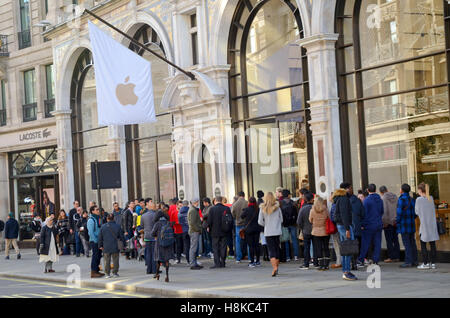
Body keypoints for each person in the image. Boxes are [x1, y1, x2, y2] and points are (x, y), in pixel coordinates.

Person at [333, 187, 358, 281]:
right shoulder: (343, 199)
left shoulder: (339, 199)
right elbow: (344, 214)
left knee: (345, 249)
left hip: (341, 225)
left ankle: (346, 270)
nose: (350, 189)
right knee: (348, 248)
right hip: (344, 226)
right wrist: (347, 229)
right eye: (349, 188)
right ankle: (346, 271)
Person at [357, 184, 384, 266]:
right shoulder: (380, 199)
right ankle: (376, 260)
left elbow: (363, 214)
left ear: (368, 190)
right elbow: (382, 211)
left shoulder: (367, 200)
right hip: (378, 224)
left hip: (368, 225)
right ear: (375, 190)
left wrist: (362, 224)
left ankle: (361, 259)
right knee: (377, 243)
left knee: (365, 243)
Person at [340, 182, 365, 270]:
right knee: (353, 244)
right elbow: (362, 213)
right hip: (353, 225)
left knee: (348, 245)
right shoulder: (354, 200)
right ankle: (353, 263)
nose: (351, 190)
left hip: (349, 226)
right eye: (350, 188)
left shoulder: (341, 200)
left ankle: (350, 265)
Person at [258, 192, 283, 277]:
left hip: (268, 231)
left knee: (271, 250)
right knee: (277, 249)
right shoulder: (278, 208)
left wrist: (266, 225)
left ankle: (274, 267)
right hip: (277, 231)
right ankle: (276, 267)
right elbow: (281, 219)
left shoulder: (262, 208)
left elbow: (260, 221)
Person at [415, 183, 439, 270]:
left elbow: (416, 212)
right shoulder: (431, 198)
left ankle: (425, 263)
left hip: (424, 225)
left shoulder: (418, 199)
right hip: (432, 224)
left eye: (418, 189)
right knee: (432, 244)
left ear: (420, 190)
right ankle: (433, 263)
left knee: (423, 244)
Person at [98, 213, 126, 278]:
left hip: (106, 246)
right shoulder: (118, 226)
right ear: (114, 218)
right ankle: (115, 273)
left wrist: (100, 245)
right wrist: (124, 245)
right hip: (115, 245)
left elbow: (100, 237)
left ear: (107, 219)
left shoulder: (103, 226)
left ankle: (107, 274)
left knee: (107, 260)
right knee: (115, 260)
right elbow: (122, 237)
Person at [397, 184, 418, 268]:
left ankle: (408, 261)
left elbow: (399, 213)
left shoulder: (401, 199)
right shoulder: (412, 199)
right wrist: (412, 218)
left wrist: (398, 221)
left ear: (402, 190)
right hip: (411, 224)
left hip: (404, 225)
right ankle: (415, 260)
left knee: (407, 244)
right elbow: (415, 213)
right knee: (412, 242)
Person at [207, 196, 232, 268]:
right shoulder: (226, 208)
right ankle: (223, 262)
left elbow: (209, 221)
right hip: (224, 231)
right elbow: (230, 219)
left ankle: (217, 263)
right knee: (223, 246)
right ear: (221, 201)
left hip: (214, 231)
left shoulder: (212, 209)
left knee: (215, 247)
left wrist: (208, 227)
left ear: (215, 201)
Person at [151, 209, 175, 282]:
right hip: (168, 244)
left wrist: (156, 235)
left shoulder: (157, 224)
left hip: (159, 244)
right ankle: (167, 276)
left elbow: (152, 233)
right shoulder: (168, 223)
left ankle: (157, 273)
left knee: (158, 260)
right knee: (167, 260)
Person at [309, 196, 331, 270]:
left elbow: (310, 220)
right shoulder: (325, 209)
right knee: (326, 247)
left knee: (318, 248)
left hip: (316, 232)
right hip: (325, 231)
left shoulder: (312, 210)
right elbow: (329, 218)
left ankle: (321, 264)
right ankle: (326, 264)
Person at [380, 186, 400, 263]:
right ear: (387, 190)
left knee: (389, 240)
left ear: (381, 192)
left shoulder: (383, 198)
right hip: (395, 221)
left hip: (388, 222)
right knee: (395, 239)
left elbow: (384, 212)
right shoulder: (395, 196)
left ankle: (391, 257)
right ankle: (397, 256)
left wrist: (384, 222)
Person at [241, 197, 262, 267]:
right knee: (256, 245)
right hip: (257, 229)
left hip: (249, 230)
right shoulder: (258, 209)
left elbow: (242, 216)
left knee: (251, 246)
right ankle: (258, 260)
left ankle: (252, 261)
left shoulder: (247, 209)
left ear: (249, 202)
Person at [297, 192, 316, 269]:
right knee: (315, 246)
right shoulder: (315, 208)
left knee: (306, 247)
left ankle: (306, 263)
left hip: (306, 230)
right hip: (315, 229)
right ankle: (316, 262)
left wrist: (302, 227)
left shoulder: (303, 209)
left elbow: (299, 221)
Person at [280, 189, 299, 262]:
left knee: (286, 240)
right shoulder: (293, 203)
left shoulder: (281, 203)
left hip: (284, 224)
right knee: (294, 239)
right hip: (293, 223)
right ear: (288, 195)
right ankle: (296, 255)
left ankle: (288, 256)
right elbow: (297, 213)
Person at [141, 198, 158, 274]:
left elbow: (142, 226)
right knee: (154, 253)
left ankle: (148, 269)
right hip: (154, 237)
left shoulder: (143, 215)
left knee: (148, 253)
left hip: (147, 236)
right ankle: (154, 269)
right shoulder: (155, 215)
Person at [231, 191, 248, 263]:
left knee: (238, 241)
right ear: (244, 195)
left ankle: (238, 257)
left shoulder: (235, 204)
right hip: (246, 224)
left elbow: (232, 213)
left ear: (238, 195)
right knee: (248, 240)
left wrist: (237, 218)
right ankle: (250, 256)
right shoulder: (247, 203)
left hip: (238, 224)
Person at [88, 205, 105, 278]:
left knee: (98, 256)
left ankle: (97, 270)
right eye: (96, 210)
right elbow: (91, 232)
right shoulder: (91, 220)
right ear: (92, 211)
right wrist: (96, 241)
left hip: (99, 240)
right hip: (94, 241)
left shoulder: (97, 218)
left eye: (98, 209)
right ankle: (93, 271)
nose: (98, 211)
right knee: (95, 256)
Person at [188, 198, 203, 270]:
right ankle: (193, 264)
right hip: (194, 231)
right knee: (193, 248)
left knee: (194, 247)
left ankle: (194, 263)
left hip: (194, 230)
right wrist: (198, 229)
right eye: (197, 202)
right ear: (194, 202)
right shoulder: (193, 210)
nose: (198, 203)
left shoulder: (193, 210)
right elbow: (192, 223)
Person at [328, 195, 341, 269]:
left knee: (337, 245)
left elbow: (333, 218)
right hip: (342, 226)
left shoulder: (333, 206)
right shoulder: (340, 203)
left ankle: (339, 262)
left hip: (335, 228)